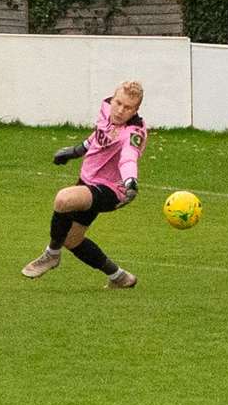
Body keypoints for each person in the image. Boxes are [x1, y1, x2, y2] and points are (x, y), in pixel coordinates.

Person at [20, 80, 147, 289]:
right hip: (88, 180)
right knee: (72, 240)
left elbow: (128, 158)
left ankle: (52, 254)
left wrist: (130, 181)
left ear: (136, 110)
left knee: (64, 199)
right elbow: (98, 136)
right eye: (118, 103)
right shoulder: (106, 107)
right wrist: (76, 151)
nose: (120, 110)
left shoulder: (134, 132)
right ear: (112, 98)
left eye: (128, 108)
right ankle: (120, 278)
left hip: (112, 190)